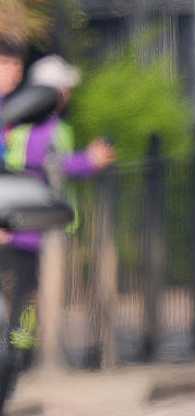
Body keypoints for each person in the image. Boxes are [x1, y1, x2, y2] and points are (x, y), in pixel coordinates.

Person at [0, 54, 114, 360]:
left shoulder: (47, 123)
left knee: (32, 297)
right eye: (62, 89)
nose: (67, 95)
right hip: (27, 229)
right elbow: (37, 165)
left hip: (38, 226)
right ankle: (19, 356)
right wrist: (86, 161)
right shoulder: (35, 126)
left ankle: (23, 353)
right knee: (24, 297)